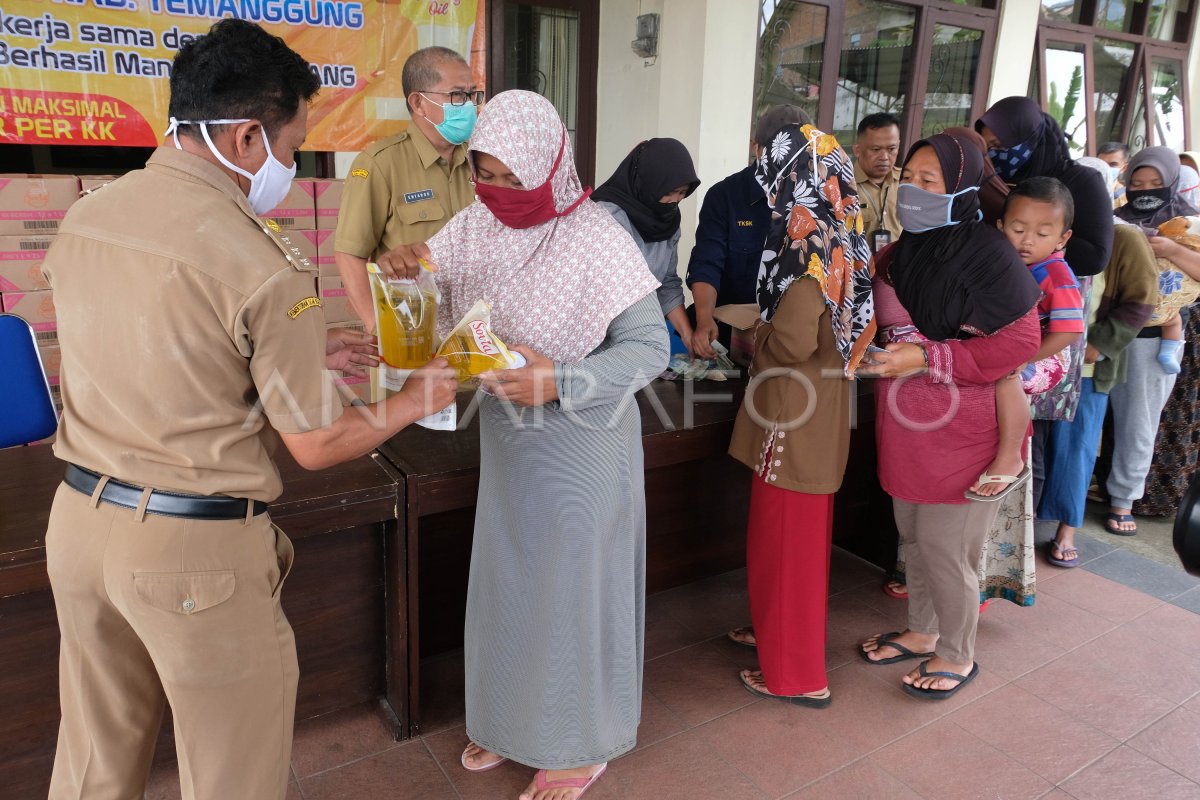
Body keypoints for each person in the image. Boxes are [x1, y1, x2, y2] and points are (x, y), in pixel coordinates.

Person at [39, 20, 457, 800]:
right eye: (292, 148)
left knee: (95, 755)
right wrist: (414, 399)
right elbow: (319, 442)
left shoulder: (89, 216)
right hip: (189, 556)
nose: (292, 168)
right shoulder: (259, 264)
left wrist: (303, 352)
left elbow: (157, 348)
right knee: (232, 771)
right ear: (242, 139)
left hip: (79, 523)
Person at [421, 90, 669, 800]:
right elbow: (436, 295)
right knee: (510, 585)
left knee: (570, 593)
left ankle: (578, 741)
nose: (496, 192)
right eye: (484, 173)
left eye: (511, 176)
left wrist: (559, 379)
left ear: (550, 164)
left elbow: (652, 349)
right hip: (509, 445)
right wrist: (408, 279)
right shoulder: (474, 227)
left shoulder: (596, 236)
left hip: (584, 447)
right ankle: (510, 720)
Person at [859, 132, 1041, 699]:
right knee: (913, 537)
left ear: (962, 188)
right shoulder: (904, 250)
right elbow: (867, 303)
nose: (912, 190)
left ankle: (957, 653)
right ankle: (922, 630)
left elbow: (1019, 345)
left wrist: (927, 355)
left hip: (963, 429)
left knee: (948, 550)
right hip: (905, 421)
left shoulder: (987, 257)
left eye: (928, 181)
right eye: (908, 178)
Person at [725, 121, 873, 707]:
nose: (765, 180)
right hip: (819, 408)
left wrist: (756, 329)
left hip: (796, 414)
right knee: (790, 548)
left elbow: (792, 342)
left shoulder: (805, 246)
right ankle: (774, 639)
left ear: (794, 179)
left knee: (788, 551)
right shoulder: (844, 233)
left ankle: (796, 677)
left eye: (773, 170)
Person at [1040, 157, 1158, 566]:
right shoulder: (1046, 230)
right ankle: (1035, 518)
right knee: (1037, 448)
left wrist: (1100, 345)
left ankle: (1066, 529)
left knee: (1077, 449)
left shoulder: (1123, 238)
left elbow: (1143, 301)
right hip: (1039, 361)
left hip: (1088, 368)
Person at [335, 46, 479, 326]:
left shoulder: (481, 161)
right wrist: (378, 329)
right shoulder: (380, 163)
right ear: (418, 103)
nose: (470, 104)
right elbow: (349, 254)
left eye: (473, 94)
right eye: (458, 95)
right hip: (411, 330)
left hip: (476, 330)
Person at [1106, 146, 1200, 534]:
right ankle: (1084, 490)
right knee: (1091, 421)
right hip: (1107, 333)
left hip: (1153, 338)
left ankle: (1123, 500)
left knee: (1139, 424)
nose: (1145, 190)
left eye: (1155, 184)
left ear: (1172, 182)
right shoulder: (1113, 219)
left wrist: (1172, 249)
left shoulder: (1190, 223)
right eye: (1138, 183)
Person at [686, 104, 804, 359]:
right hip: (726, 333)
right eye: (776, 153)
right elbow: (707, 263)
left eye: (796, 154)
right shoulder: (725, 196)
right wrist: (704, 319)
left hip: (792, 336)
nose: (785, 164)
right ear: (755, 147)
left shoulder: (813, 198)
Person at [977, 96, 1113, 277]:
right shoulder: (987, 178)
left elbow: (1095, 258)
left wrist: (1034, 238)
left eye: (999, 146)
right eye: (987, 148)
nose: (993, 154)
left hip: (1056, 297)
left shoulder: (1082, 181)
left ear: (1031, 140)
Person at [593, 138, 700, 356]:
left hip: (635, 337)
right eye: (669, 192)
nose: (674, 200)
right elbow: (615, 287)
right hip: (597, 338)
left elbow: (666, 284)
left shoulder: (668, 222)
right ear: (649, 182)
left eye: (682, 193)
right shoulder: (606, 216)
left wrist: (689, 338)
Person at [852, 111, 904, 253]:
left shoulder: (907, 183)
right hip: (859, 271)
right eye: (876, 149)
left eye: (891, 149)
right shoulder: (843, 185)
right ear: (857, 150)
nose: (885, 157)